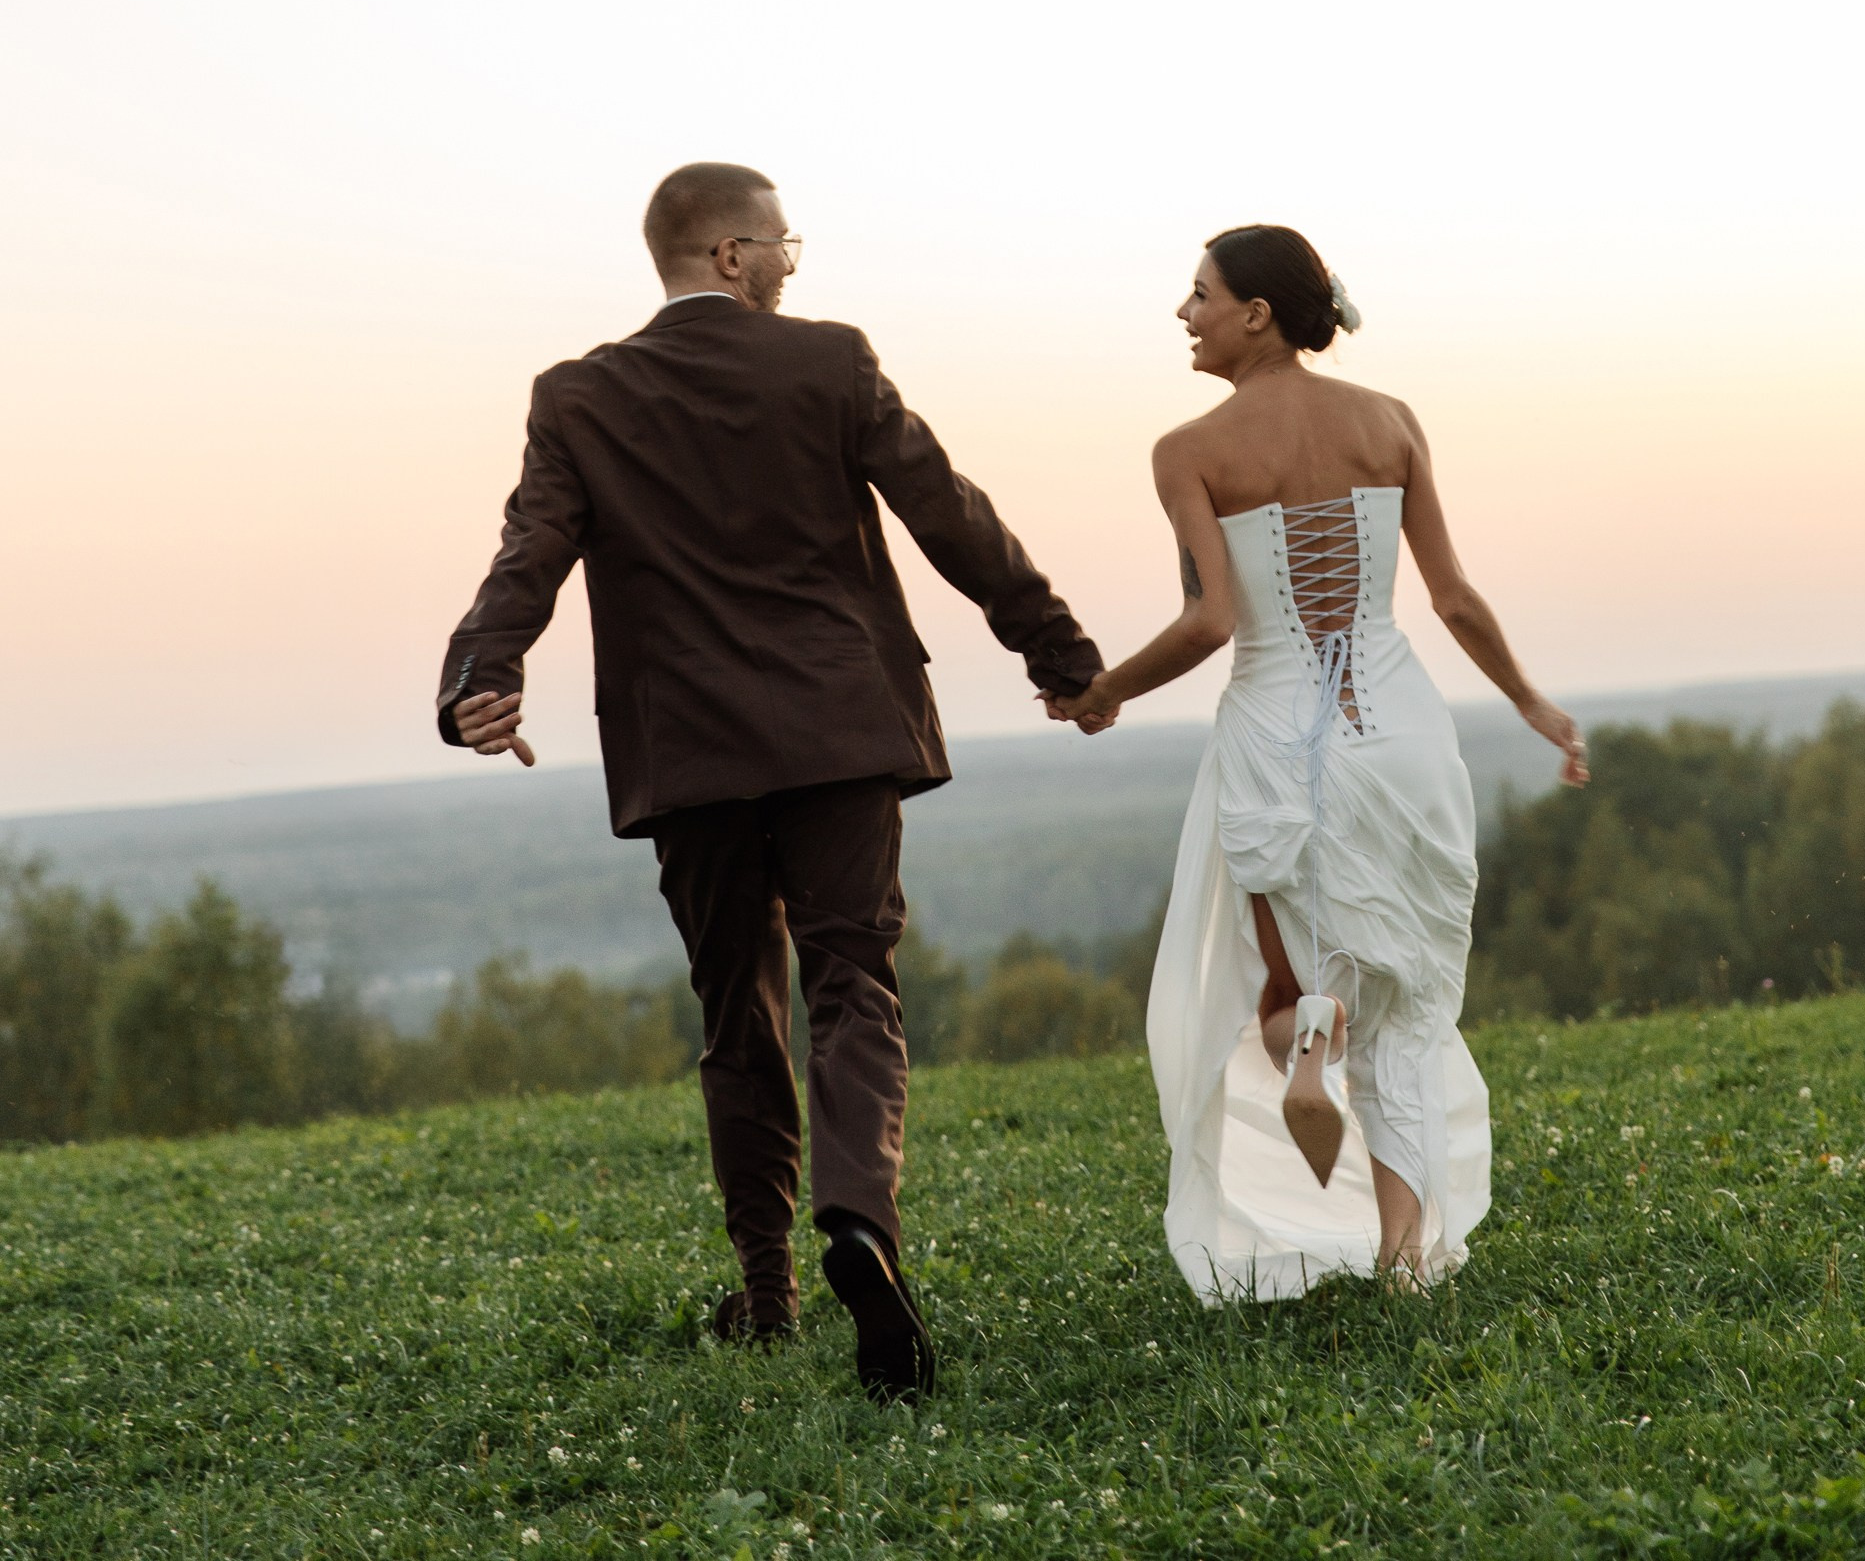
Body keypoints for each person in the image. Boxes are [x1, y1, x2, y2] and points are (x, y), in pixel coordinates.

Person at [435, 161, 1105, 1398]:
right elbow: (948, 515)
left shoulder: (577, 396)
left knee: (737, 1015)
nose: (795, 264)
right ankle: (859, 1222)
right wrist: (1056, 651)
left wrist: (480, 674)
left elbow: (529, 550)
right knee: (853, 983)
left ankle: (766, 1292)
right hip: (835, 729)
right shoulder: (830, 363)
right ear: (732, 255)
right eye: (784, 243)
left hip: (686, 749)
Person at [1050, 224, 1586, 1292]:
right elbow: (1451, 597)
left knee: (1285, 975)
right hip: (1399, 735)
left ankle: (1309, 1043)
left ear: (1256, 314)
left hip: (1271, 726)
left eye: (1197, 294)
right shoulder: (1388, 422)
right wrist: (1530, 701)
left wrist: (1104, 691)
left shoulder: (1188, 450)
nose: (1182, 313)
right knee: (1408, 998)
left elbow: (1210, 624)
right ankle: (1399, 1257)